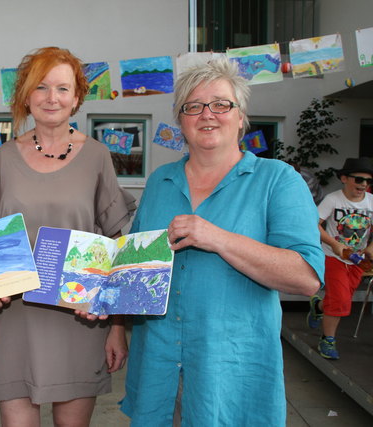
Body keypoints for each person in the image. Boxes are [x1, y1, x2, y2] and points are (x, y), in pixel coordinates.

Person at [120, 58, 324, 426]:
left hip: (230, 372)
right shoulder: (160, 181)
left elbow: (306, 277)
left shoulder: (277, 180)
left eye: (220, 104)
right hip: (158, 366)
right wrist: (101, 294)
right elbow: (136, 271)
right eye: (193, 106)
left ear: (241, 116)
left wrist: (217, 238)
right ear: (180, 120)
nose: (207, 115)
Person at [0, 47, 134, 427]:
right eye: (41, 87)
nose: (51, 97)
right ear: (26, 96)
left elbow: (116, 245)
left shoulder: (97, 156)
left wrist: (117, 326)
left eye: (62, 88)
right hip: (13, 319)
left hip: (80, 320)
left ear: (77, 98)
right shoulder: (6, 157)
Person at [307, 157, 373, 359]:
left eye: (367, 181)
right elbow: (313, 223)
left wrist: (371, 247)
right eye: (358, 179)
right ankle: (328, 340)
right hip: (333, 258)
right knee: (341, 299)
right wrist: (334, 243)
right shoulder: (333, 199)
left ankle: (318, 306)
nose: (363, 185)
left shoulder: (371, 202)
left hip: (358, 261)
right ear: (344, 178)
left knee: (341, 298)